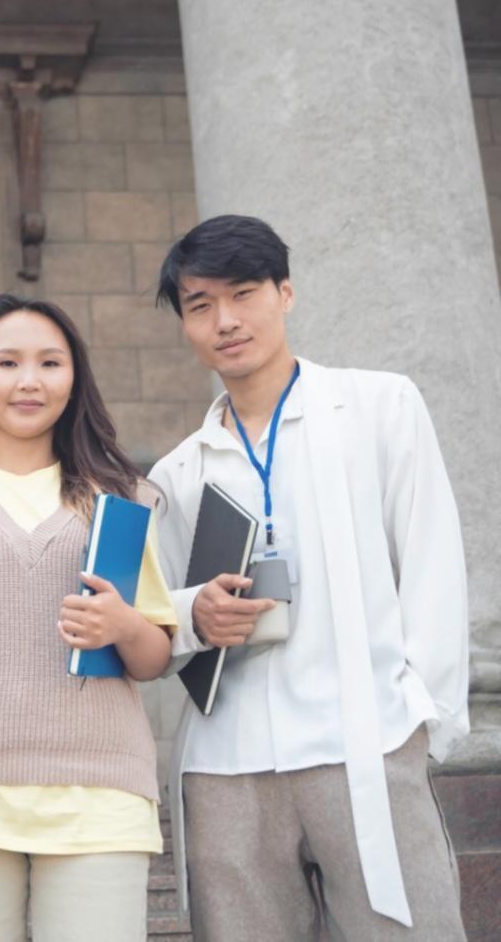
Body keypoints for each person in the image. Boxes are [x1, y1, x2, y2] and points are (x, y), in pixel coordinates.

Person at [149, 214, 468, 939]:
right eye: (200, 306)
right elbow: (155, 616)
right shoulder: (179, 471)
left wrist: (420, 718)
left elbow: (432, 563)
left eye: (244, 293)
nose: (226, 321)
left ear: (285, 292)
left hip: (365, 743)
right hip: (227, 766)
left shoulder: (379, 407)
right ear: (186, 325)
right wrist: (194, 613)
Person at [0, 294, 174, 941]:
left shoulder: (124, 499)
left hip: (101, 794)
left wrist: (122, 627)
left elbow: (155, 655)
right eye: (8, 362)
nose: (29, 381)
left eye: (50, 363)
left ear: (73, 378)